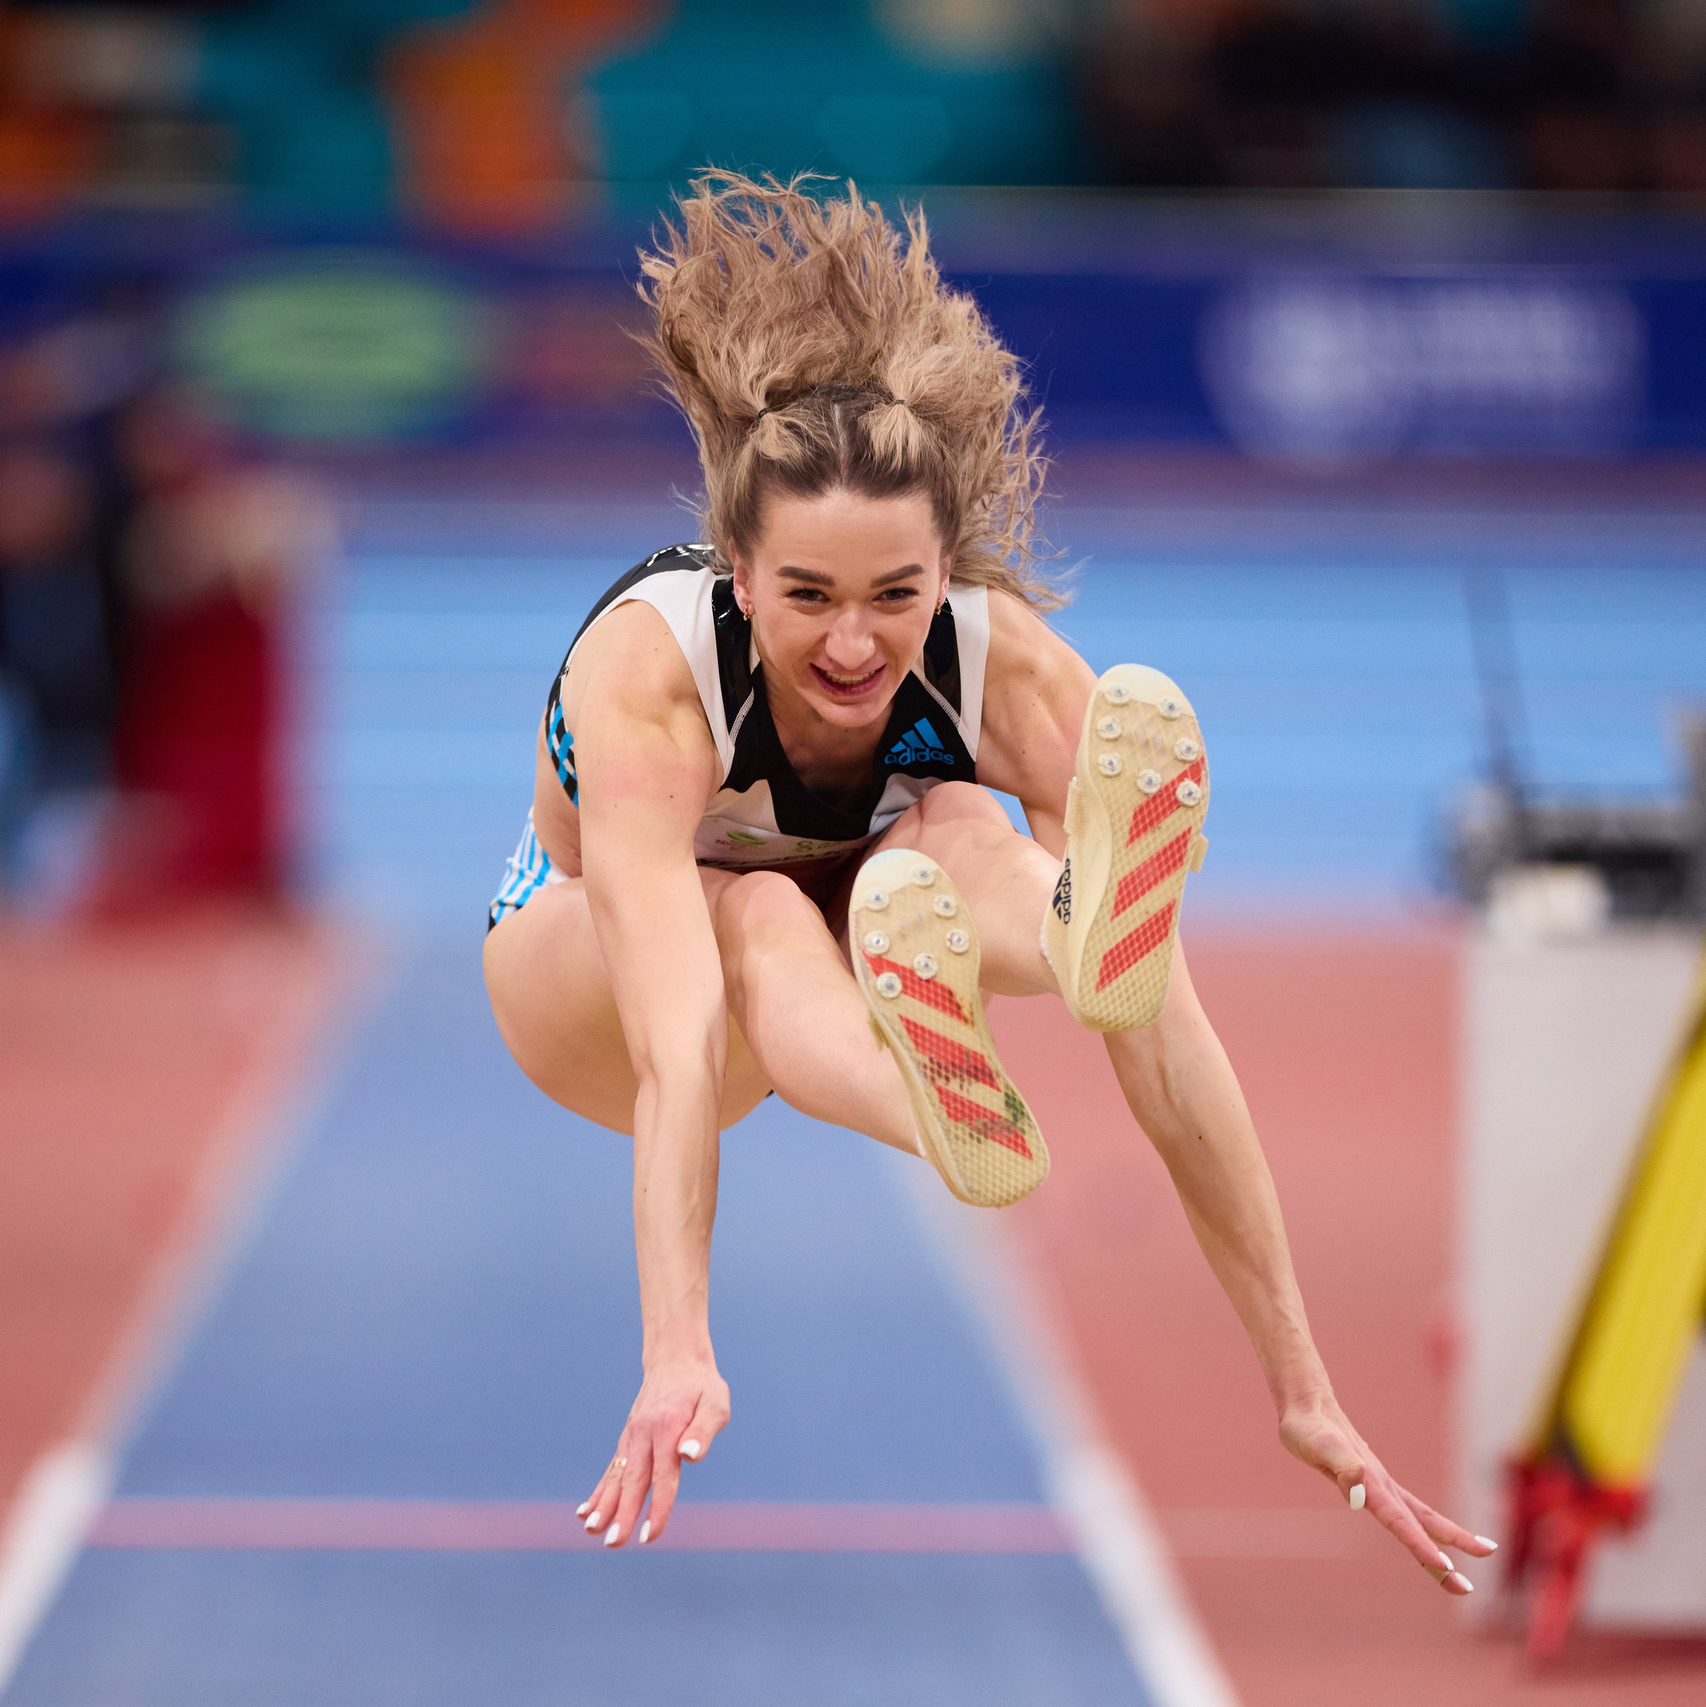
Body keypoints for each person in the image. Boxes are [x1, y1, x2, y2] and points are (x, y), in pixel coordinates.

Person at [479, 173, 1490, 1590]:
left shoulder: (995, 656)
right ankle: (941, 1112)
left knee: (962, 832)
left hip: (868, 919)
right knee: (755, 912)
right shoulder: (649, 678)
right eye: (810, 600)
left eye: (895, 595)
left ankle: (1066, 928)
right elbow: (676, 1043)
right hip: (584, 969)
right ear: (740, 575)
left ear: (944, 568)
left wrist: (1303, 1382)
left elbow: (1171, 1054)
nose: (851, 645)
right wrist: (677, 1344)